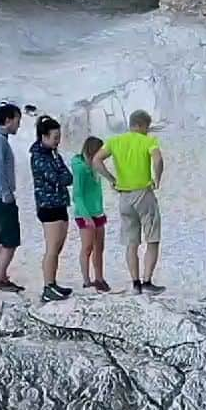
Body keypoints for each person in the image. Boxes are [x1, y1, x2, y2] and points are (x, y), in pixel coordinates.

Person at [92, 109, 164, 295]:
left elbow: (96, 160)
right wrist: (157, 178)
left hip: (124, 196)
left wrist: (111, 178)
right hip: (143, 193)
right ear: (141, 125)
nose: (148, 132)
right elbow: (157, 159)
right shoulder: (148, 141)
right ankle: (147, 281)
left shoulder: (115, 141)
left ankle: (135, 283)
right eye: (147, 128)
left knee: (131, 242)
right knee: (152, 238)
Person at [30, 115, 74, 303]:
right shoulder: (39, 157)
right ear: (44, 137)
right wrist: (60, 175)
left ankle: (53, 283)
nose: (58, 141)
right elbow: (56, 178)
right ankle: (48, 286)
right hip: (48, 206)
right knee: (52, 247)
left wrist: (61, 175)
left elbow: (68, 177)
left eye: (59, 137)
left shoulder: (54, 155)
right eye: (55, 137)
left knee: (58, 246)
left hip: (60, 203)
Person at [0, 103, 24, 293]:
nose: (19, 125)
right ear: (8, 120)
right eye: (17, 120)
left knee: (0, 237)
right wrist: (6, 194)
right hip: (0, 196)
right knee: (11, 240)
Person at [72, 136, 110, 292]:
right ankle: (86, 280)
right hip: (84, 213)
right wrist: (86, 216)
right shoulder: (80, 168)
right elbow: (77, 195)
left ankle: (99, 278)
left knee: (99, 247)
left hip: (97, 211)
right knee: (87, 247)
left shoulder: (95, 167)